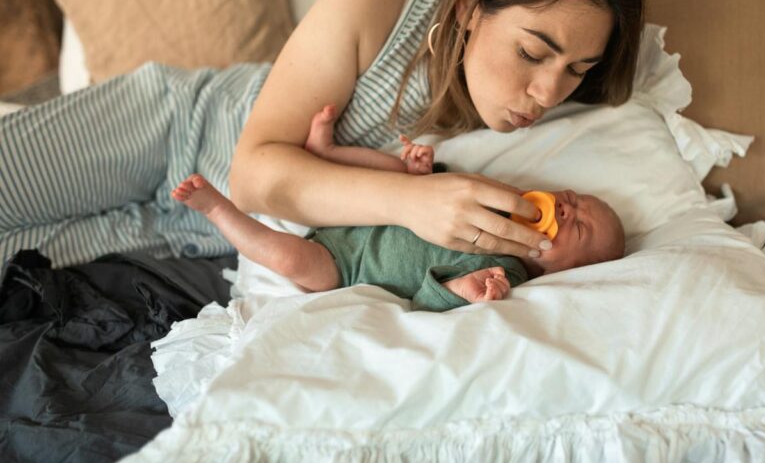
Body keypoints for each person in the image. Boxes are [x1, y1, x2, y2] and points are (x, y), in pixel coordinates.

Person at [0, 0, 644, 270]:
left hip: (198, 237)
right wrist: (413, 202)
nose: (547, 93)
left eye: (576, 71)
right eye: (533, 53)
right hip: (170, 127)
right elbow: (255, 174)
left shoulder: (550, 138)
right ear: (473, 5)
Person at [171, 105, 626, 312]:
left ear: (561, 273)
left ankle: (217, 211)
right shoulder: (500, 197)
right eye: (575, 200)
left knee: (290, 257)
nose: (569, 208)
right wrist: (421, 173)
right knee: (387, 170)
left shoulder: (504, 275)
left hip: (343, 266)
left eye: (579, 227)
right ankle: (325, 153)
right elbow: (441, 190)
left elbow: (424, 302)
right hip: (367, 212)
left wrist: (464, 290)